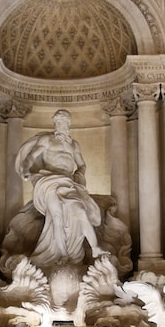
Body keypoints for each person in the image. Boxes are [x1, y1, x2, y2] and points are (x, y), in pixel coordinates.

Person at [13, 109, 106, 267]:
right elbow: (31, 157)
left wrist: (79, 174)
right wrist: (26, 169)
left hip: (68, 182)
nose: (61, 125)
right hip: (49, 181)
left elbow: (82, 164)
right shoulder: (47, 140)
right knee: (56, 217)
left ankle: (95, 248)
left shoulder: (74, 145)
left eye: (64, 122)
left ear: (69, 124)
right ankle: (62, 254)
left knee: (81, 211)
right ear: (55, 123)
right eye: (58, 122)